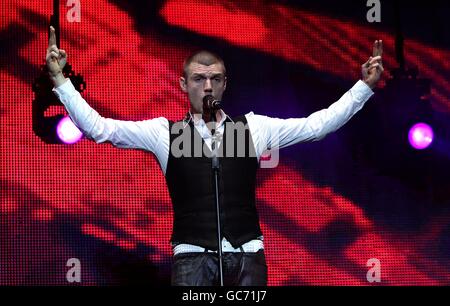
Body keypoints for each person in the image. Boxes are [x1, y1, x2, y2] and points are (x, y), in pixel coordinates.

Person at [46, 26, 383, 286]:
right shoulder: (163, 132)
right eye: (198, 79)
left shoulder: (254, 128)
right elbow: (98, 128)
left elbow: (317, 126)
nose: (207, 86)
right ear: (182, 84)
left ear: (224, 85)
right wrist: (61, 81)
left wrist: (363, 88)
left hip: (247, 256)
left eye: (215, 79)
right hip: (193, 259)